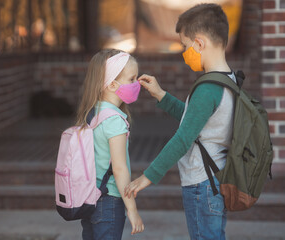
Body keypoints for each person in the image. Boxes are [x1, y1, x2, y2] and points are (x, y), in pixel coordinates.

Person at [124, 3, 236, 240]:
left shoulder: (208, 88)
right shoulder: (227, 79)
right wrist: (161, 95)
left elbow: (184, 137)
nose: (184, 52)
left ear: (199, 43)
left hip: (202, 184)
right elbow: (195, 119)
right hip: (216, 179)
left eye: (185, 46)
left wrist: (148, 176)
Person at [76, 49, 144, 240]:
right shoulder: (114, 120)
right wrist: (132, 209)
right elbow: (120, 169)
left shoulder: (93, 112)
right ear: (113, 84)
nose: (136, 83)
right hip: (109, 201)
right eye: (131, 79)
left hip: (89, 198)